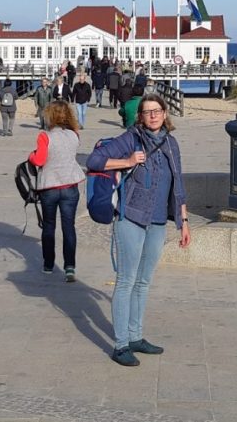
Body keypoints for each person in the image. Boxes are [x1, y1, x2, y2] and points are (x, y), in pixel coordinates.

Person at [85, 93, 191, 367]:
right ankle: (120, 345)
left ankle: (135, 336)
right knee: (126, 281)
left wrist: (184, 221)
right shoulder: (130, 139)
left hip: (158, 221)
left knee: (144, 282)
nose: (153, 115)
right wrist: (128, 161)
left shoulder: (171, 143)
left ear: (166, 113)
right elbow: (94, 161)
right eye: (147, 112)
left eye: (157, 111)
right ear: (140, 117)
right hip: (131, 217)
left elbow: (178, 183)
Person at [28, 100, 85, 282]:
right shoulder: (74, 135)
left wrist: (31, 155)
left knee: (49, 226)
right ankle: (69, 266)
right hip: (70, 185)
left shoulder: (45, 136)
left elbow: (39, 160)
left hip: (50, 187)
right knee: (69, 227)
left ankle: (48, 264)